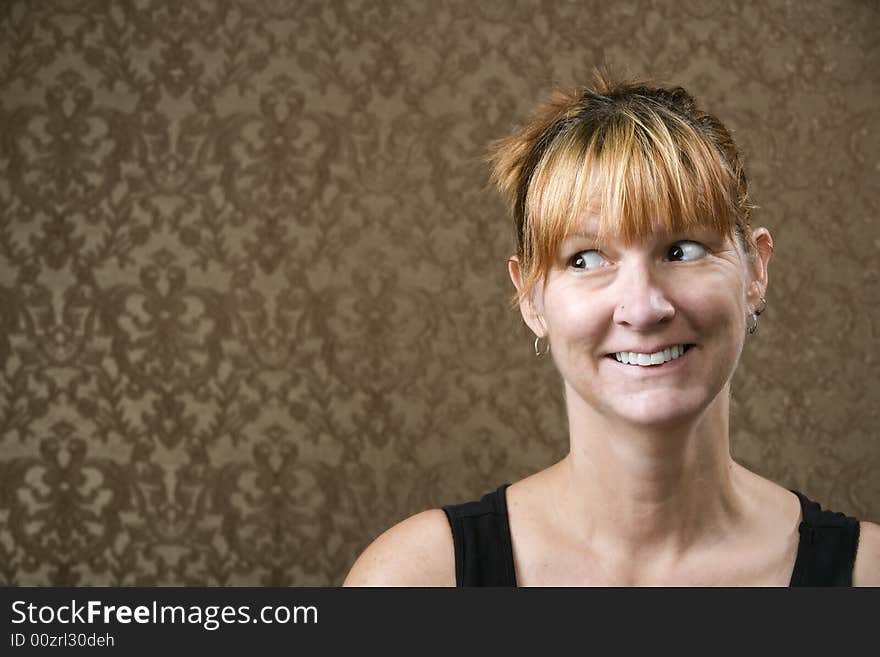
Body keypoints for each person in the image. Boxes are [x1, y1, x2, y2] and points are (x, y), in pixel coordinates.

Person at [343, 70, 880, 586]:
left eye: (682, 250)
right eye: (585, 260)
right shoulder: (414, 580)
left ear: (755, 271)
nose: (642, 309)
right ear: (531, 297)